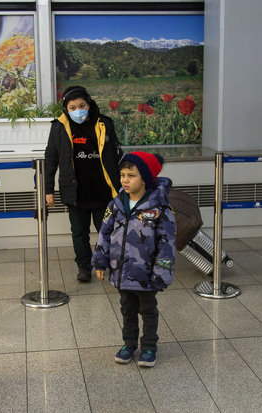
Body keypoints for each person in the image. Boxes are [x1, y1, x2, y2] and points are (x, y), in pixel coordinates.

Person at [91, 152, 176, 367]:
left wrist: (161, 273)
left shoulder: (159, 209)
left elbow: (167, 244)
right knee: (126, 308)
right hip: (121, 271)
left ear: (145, 178)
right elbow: (104, 233)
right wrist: (100, 261)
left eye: (131, 175)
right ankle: (129, 344)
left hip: (146, 274)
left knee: (148, 309)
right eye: (122, 175)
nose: (125, 180)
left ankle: (149, 346)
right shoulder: (116, 204)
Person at [44, 86, 122, 282]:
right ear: (66, 109)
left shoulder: (104, 124)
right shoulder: (59, 127)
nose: (78, 110)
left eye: (82, 105)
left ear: (88, 104)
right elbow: (50, 159)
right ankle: (84, 267)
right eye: (72, 107)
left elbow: (117, 156)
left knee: (108, 232)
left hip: (102, 191)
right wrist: (48, 190)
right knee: (79, 233)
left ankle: (109, 264)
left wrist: (123, 186)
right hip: (75, 192)